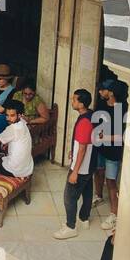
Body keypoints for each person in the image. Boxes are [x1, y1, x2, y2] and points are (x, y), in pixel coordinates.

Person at [53, 90, 95, 240]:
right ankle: (84, 219)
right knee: (87, 191)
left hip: (82, 167)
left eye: (74, 100)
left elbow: (82, 148)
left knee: (69, 197)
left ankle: (70, 227)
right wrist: (74, 149)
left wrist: (75, 171)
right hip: (90, 163)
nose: (72, 102)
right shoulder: (91, 115)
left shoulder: (84, 122)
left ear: (81, 104)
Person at [92, 79, 126, 231]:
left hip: (113, 151)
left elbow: (120, 137)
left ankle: (114, 214)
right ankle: (98, 196)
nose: (100, 92)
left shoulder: (121, 109)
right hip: (100, 147)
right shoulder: (101, 105)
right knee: (98, 172)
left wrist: (103, 137)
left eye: (102, 89)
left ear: (111, 92)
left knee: (111, 181)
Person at [0, 100, 34, 181]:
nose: (8, 118)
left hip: (14, 170)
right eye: (7, 115)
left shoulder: (12, 128)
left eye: (12, 115)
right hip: (27, 168)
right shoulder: (23, 122)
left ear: (19, 115)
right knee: (1, 153)